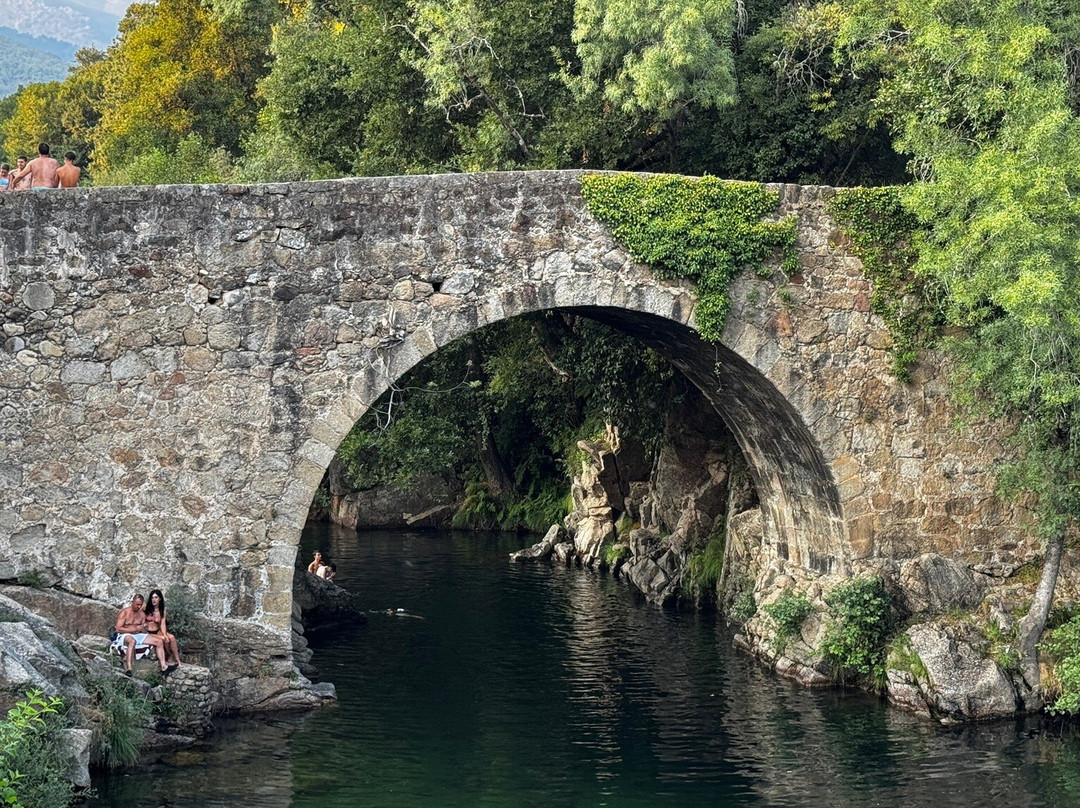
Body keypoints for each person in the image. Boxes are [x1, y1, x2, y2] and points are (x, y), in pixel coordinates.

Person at [112, 593, 172, 676]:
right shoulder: (124, 612)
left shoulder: (142, 614)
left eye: (140, 605)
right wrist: (134, 629)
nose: (139, 607)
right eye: (137, 605)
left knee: (159, 641)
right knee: (132, 641)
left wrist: (144, 627)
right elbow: (118, 628)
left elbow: (143, 631)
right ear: (132, 602)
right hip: (124, 634)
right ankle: (129, 668)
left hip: (138, 635)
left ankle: (164, 667)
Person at [144, 589, 181, 671]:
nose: (154, 600)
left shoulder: (162, 610)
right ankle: (168, 655)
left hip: (157, 630)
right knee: (164, 639)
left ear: (160, 598)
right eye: (152, 598)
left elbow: (163, 624)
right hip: (148, 632)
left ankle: (177, 660)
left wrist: (164, 634)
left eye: (156, 597)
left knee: (171, 637)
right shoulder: (146, 608)